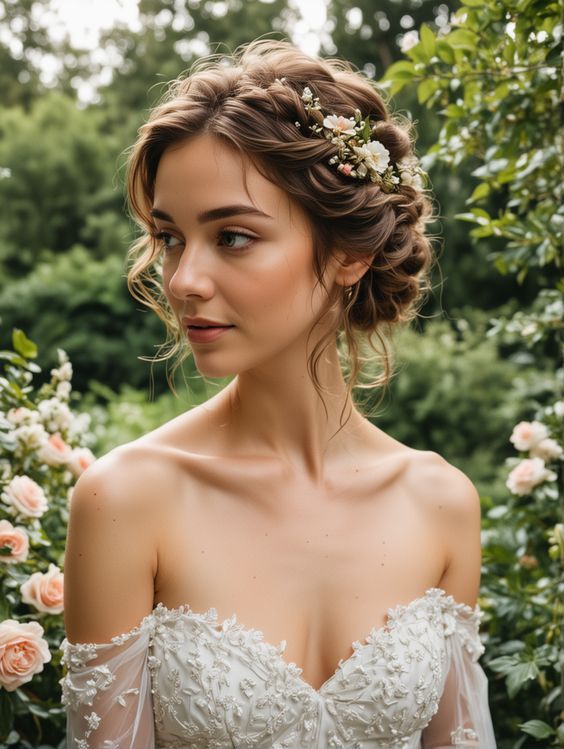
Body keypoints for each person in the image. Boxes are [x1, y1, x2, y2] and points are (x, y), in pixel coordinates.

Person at [60, 38, 497, 749]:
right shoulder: (127, 499)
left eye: (231, 236)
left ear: (349, 252)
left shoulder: (440, 502)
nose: (183, 280)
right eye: (170, 238)